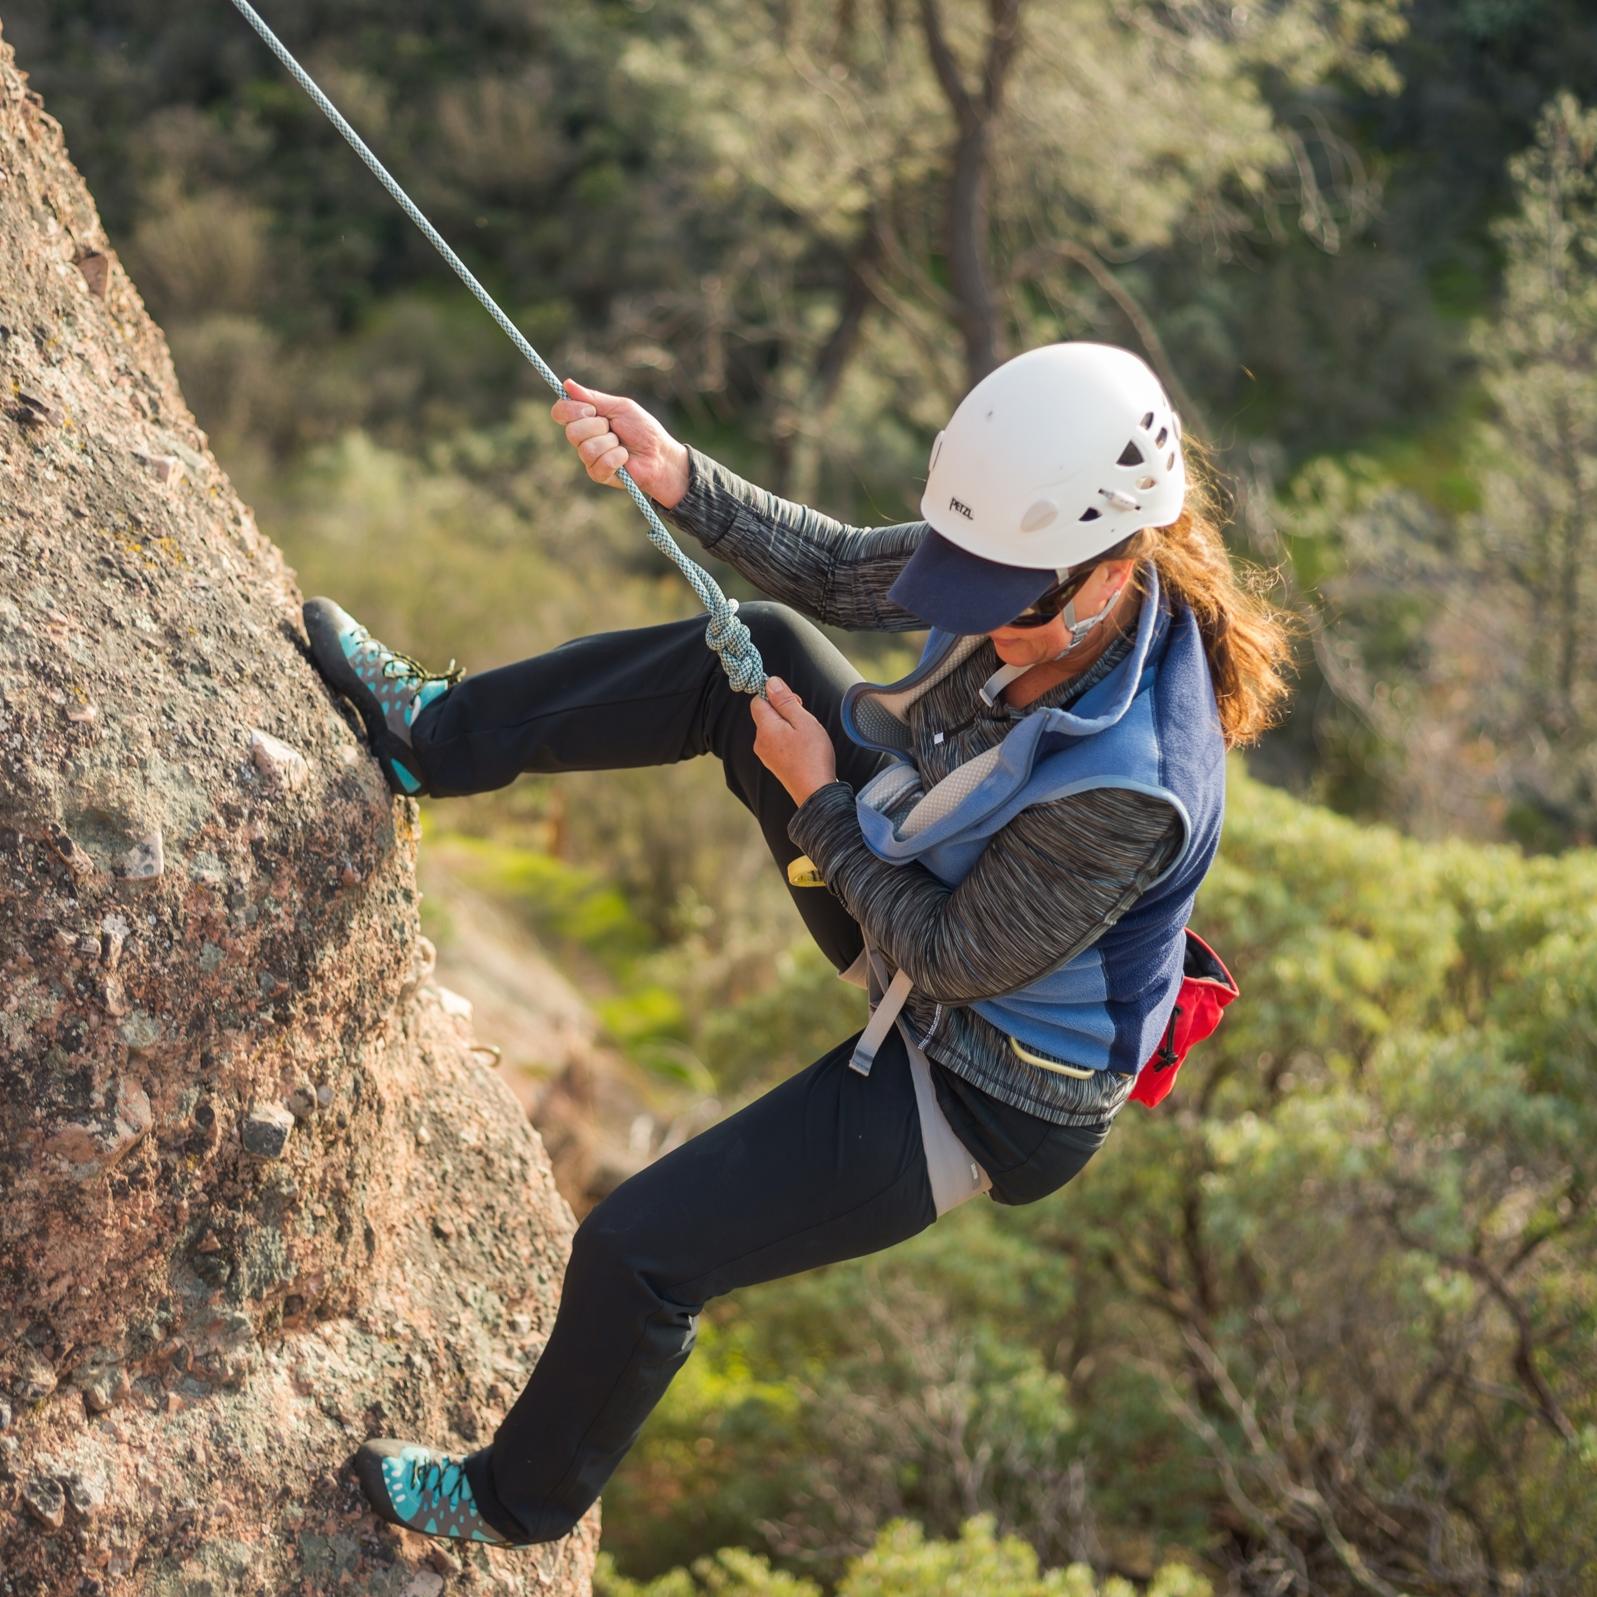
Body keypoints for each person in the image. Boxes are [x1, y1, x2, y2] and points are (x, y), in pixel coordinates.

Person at [300, 342, 1292, 1546]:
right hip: (914, 886)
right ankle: (434, 740)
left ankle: (515, 1504)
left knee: (639, 1250)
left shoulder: (1137, 782)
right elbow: (834, 570)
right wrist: (677, 476)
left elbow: (956, 955)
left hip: (981, 1081)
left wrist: (818, 796)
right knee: (752, 647)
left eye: (1009, 603)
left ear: (1110, 568)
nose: (979, 616)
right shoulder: (1021, 572)